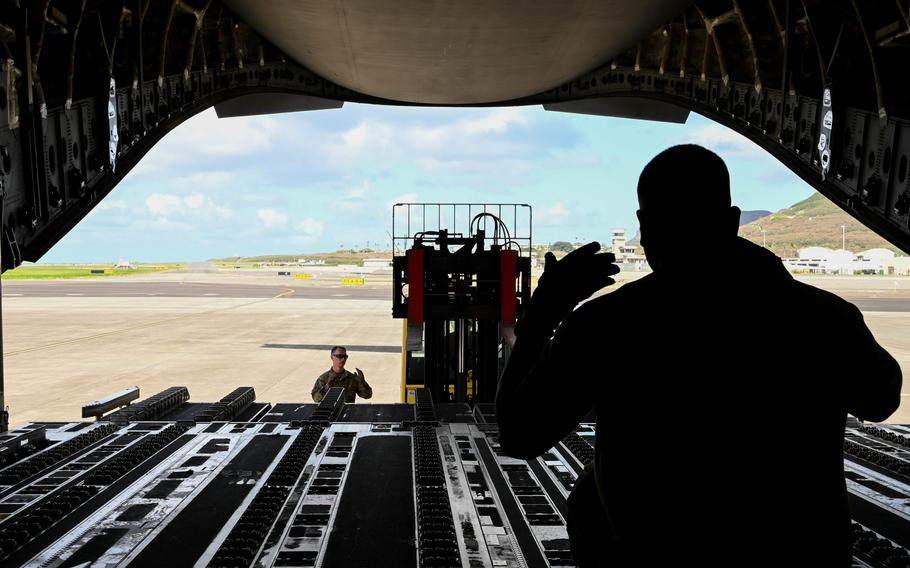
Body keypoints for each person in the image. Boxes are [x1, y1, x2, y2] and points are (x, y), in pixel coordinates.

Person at [495, 144, 902, 567]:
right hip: (801, 554)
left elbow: (521, 434)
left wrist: (543, 316)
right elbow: (881, 399)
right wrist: (773, 278)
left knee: (588, 498)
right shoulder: (823, 317)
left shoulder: (610, 323)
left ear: (645, 227)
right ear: (731, 221)